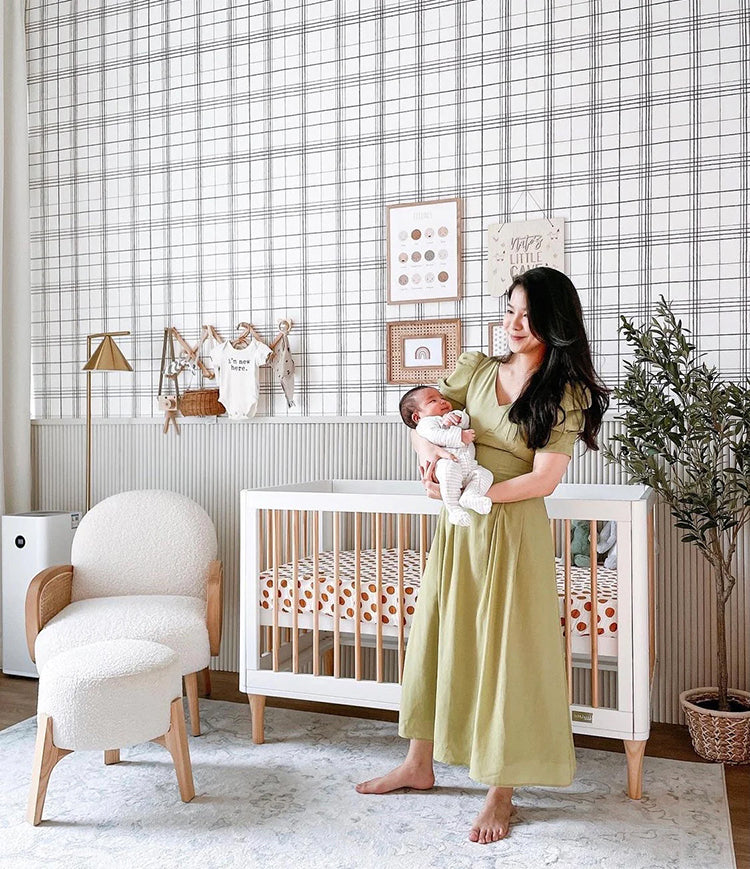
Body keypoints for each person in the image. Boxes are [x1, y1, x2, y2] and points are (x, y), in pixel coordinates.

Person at [356, 267, 610, 845]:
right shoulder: (475, 368)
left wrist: (479, 492)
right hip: (459, 530)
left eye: (527, 315)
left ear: (553, 322)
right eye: (509, 311)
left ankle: (501, 790)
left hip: (511, 530)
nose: (513, 325)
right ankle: (418, 764)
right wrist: (432, 463)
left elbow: (544, 480)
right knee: (439, 636)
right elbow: (422, 421)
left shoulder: (562, 392)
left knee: (507, 656)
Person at [399, 386, 495, 526]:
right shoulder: (426, 424)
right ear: (417, 417)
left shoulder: (448, 415)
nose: (442, 401)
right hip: (446, 464)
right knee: (449, 471)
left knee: (485, 475)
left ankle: (470, 495)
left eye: (442, 398)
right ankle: (454, 510)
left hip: (468, 466)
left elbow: (465, 421)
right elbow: (437, 436)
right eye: (432, 401)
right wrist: (459, 436)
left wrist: (458, 417)